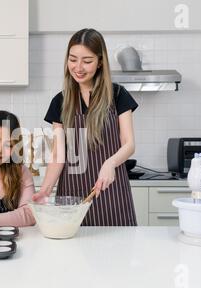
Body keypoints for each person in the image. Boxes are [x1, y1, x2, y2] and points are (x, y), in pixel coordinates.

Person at [33, 28, 138, 226]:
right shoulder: (60, 102)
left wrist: (110, 163)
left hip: (112, 193)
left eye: (87, 61)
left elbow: (129, 143)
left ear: (100, 62)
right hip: (72, 197)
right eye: (73, 59)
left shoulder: (118, 96)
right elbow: (58, 154)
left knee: (118, 252)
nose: (78, 67)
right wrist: (45, 190)